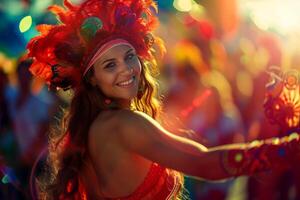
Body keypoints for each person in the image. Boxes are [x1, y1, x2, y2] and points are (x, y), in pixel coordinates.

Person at [26, 0, 300, 199]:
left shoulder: (94, 126)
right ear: (92, 79)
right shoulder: (124, 125)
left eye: (129, 56)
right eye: (110, 65)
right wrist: (289, 149)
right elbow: (206, 164)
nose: (125, 69)